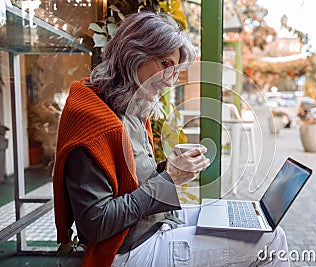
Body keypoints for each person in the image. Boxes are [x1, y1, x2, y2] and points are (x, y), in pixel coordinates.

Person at [53, 11, 289, 267]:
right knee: (269, 240)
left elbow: (132, 183)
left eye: (174, 71)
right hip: (124, 250)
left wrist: (167, 169)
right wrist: (170, 179)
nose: (169, 81)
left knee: (245, 220)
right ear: (134, 54)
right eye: (165, 64)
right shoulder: (95, 120)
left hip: (151, 225)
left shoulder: (127, 106)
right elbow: (96, 224)